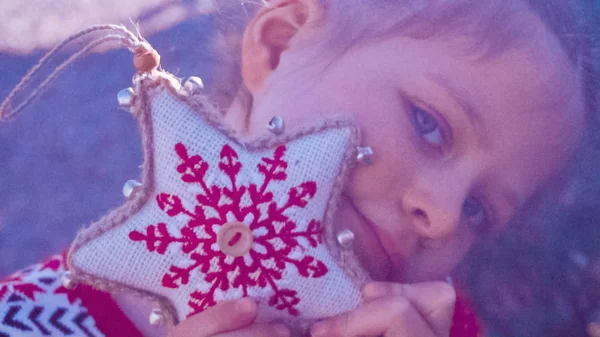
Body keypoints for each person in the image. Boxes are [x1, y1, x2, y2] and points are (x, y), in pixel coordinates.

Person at [0, 0, 598, 336]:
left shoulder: (430, 326)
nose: (442, 216)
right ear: (279, 46)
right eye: (429, 124)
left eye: (479, 210)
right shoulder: (26, 320)